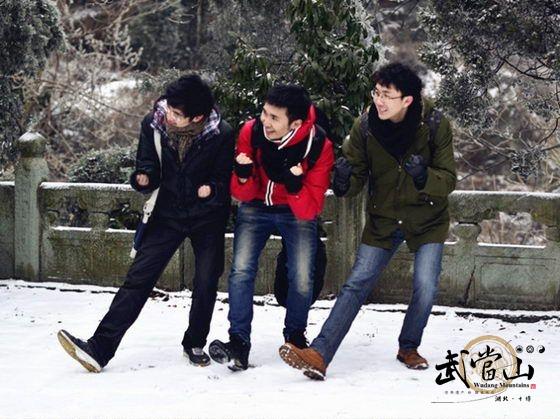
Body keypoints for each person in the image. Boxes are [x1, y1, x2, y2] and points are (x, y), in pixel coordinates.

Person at [279, 62, 456, 380]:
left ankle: (408, 346)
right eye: (376, 93)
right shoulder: (366, 126)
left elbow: (448, 180)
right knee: (355, 284)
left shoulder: (434, 125)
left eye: (388, 95)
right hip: (384, 219)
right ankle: (319, 354)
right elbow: (353, 180)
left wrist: (422, 176)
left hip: (427, 219)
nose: (379, 101)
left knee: (426, 287)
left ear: (407, 101)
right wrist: (344, 179)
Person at [57, 74, 235, 372]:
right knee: (138, 279)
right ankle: (99, 349)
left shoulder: (222, 134)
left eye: (178, 114)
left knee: (205, 281)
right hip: (167, 215)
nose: (169, 116)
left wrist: (212, 190)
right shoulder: (152, 124)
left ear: (198, 117)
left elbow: (223, 180)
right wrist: (143, 178)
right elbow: (147, 166)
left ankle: (194, 342)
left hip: (207, 218)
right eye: (169, 108)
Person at [208, 84, 334, 371]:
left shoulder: (318, 146)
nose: (265, 121)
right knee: (240, 271)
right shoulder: (250, 132)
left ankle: (295, 338)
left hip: (295, 207)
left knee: (301, 275)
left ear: (296, 122)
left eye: (274, 118)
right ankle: (238, 342)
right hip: (256, 207)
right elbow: (243, 194)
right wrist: (241, 176)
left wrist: (293, 185)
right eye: (264, 113)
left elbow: (310, 208)